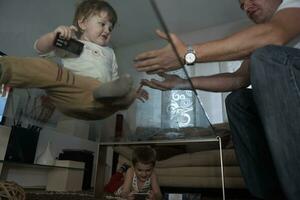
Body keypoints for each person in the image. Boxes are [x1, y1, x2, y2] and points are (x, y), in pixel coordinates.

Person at [134, 0, 300, 199]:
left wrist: (187, 53)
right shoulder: (264, 39)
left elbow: (274, 34)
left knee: (266, 55)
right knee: (237, 101)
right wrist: (181, 84)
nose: (246, 7)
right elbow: (237, 79)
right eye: (241, 5)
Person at [0, 0, 148, 120]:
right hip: (72, 92)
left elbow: (115, 79)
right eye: (103, 24)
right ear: (83, 23)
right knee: (48, 69)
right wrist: (54, 37)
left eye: (111, 28)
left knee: (122, 91)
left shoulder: (110, 52)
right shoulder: (74, 43)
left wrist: (132, 92)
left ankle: (121, 96)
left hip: (102, 104)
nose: (107, 30)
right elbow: (40, 49)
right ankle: (4, 68)